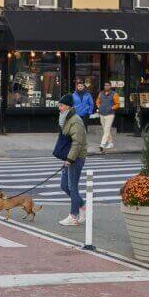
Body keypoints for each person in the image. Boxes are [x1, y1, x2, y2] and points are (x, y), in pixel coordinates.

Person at [56, 94, 88, 226]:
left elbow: (77, 142)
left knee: (72, 187)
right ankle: (83, 205)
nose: (59, 108)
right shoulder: (66, 118)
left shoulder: (76, 120)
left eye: (61, 106)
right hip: (70, 156)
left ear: (68, 106)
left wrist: (69, 159)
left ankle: (73, 216)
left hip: (76, 157)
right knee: (64, 185)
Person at [97, 81, 119, 152]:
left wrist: (112, 108)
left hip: (110, 114)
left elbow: (117, 104)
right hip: (102, 114)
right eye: (105, 85)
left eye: (108, 85)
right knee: (105, 129)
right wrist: (99, 107)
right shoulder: (101, 93)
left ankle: (102, 144)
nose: (106, 87)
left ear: (110, 86)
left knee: (107, 129)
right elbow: (97, 101)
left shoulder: (114, 94)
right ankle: (110, 143)